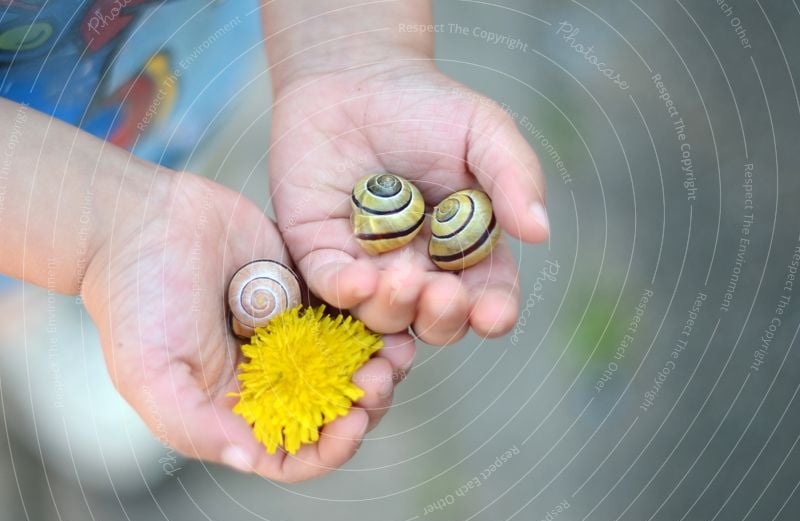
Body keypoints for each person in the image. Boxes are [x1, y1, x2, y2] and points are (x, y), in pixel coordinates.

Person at [0, 0, 548, 483]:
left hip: (174, 59)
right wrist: (103, 234)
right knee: (29, 261)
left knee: (186, 147)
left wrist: (350, 47)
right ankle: (37, 305)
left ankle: (165, 209)